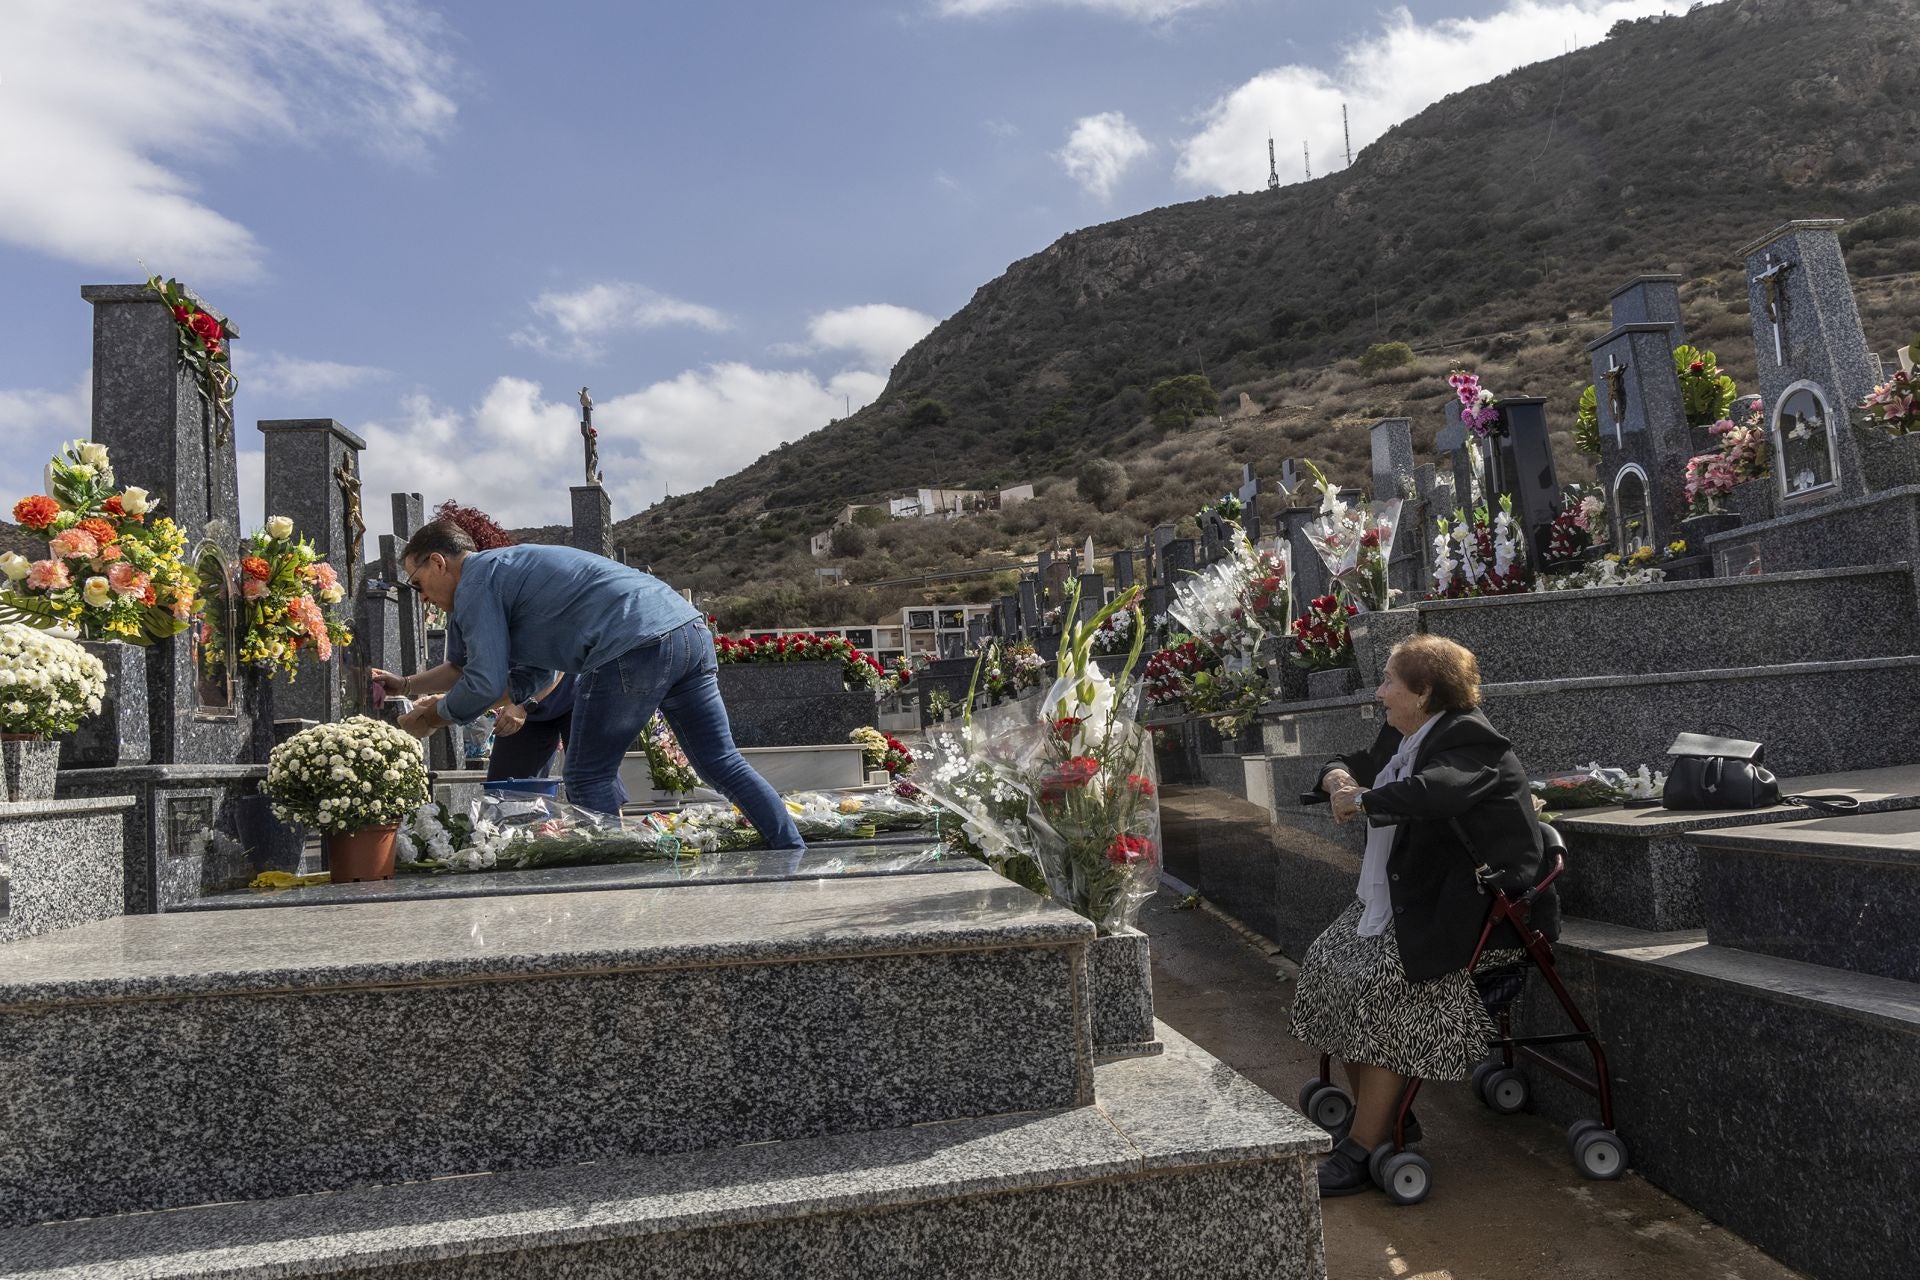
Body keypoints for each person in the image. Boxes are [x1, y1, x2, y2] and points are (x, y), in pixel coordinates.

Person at [1293, 633, 1544, 1197]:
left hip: (1474, 913)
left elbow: (1438, 791)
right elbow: (1351, 763)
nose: (1379, 692)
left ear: (1424, 691)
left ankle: (1362, 1149)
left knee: (1383, 986)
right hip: (1416, 898)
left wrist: (1364, 799)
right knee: (1329, 965)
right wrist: (1338, 779)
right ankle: (1387, 1119)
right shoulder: (1404, 735)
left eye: (1388, 681)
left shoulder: (1471, 740)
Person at [392, 520, 802, 848]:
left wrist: (433, 717)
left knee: (589, 776)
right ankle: (791, 850)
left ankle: (614, 896)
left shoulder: (476, 582)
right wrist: (435, 702)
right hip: (688, 631)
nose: (422, 597)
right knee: (721, 761)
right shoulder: (508, 570)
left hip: (632, 643)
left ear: (438, 562)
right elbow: (536, 675)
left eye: (416, 582)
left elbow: (483, 682)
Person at [372, 640, 576, 784]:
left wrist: (522, 704)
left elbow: (559, 652)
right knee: (505, 791)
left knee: (584, 784)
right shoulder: (464, 608)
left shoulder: (498, 594)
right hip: (520, 701)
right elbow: (460, 669)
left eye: (422, 590)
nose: (424, 598)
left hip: (576, 692)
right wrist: (405, 684)